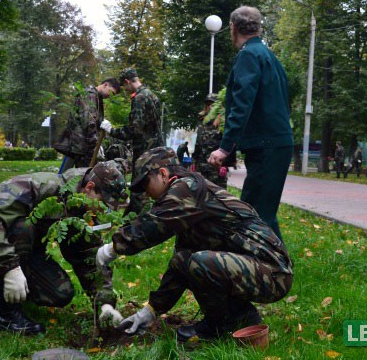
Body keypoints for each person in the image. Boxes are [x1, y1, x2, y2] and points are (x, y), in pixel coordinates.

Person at [95, 147, 293, 342]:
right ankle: (241, 316)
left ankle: (219, 326)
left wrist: (113, 248)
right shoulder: (188, 200)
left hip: (273, 271)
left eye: (146, 184)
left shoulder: (186, 188)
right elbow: (179, 266)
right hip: (256, 268)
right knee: (186, 260)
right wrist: (150, 310)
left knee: (201, 262)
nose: (146, 193)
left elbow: (153, 225)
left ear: (163, 173)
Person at [0, 161, 128, 335]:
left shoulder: (83, 211)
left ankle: (20, 290)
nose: (103, 211)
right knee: (23, 227)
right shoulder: (41, 186)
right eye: (103, 203)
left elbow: (89, 258)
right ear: (89, 187)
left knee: (61, 293)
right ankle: (8, 315)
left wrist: (105, 304)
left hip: (26, 247)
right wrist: (9, 269)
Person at [208, 6, 294, 241]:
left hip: (267, 145)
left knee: (256, 215)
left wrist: (225, 147)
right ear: (258, 27)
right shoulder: (268, 56)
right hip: (275, 143)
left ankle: (275, 269)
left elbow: (242, 104)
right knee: (260, 211)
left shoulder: (248, 56)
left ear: (233, 28)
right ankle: (276, 267)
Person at [101, 67, 163, 216]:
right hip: (155, 149)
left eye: (124, 87)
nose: (126, 90)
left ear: (128, 82)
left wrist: (111, 130)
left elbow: (134, 130)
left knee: (139, 189)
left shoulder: (139, 98)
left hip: (144, 152)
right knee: (150, 185)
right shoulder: (151, 95)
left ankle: (133, 223)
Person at [55, 78, 121, 173]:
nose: (110, 96)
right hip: (81, 145)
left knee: (75, 175)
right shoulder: (90, 95)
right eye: (111, 92)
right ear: (105, 85)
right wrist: (95, 144)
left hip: (83, 145)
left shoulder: (97, 97)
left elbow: (95, 120)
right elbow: (89, 122)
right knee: (84, 176)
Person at [192, 93, 229, 188]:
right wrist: (194, 162)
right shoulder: (202, 122)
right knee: (202, 195)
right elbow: (198, 144)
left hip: (216, 168)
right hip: (202, 167)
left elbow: (229, 144)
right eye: (208, 104)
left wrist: (225, 165)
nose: (210, 107)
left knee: (219, 196)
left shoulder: (223, 123)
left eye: (212, 104)